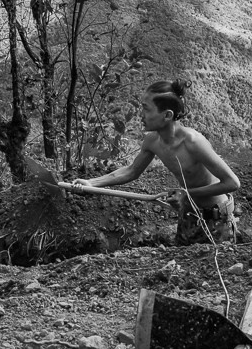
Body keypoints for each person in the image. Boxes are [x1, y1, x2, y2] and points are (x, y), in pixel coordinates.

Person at [73, 80, 240, 245]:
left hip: (217, 220)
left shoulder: (194, 143)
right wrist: (91, 183)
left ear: (167, 115)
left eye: (146, 109)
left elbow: (232, 183)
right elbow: (132, 171)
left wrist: (186, 194)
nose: (141, 115)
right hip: (189, 215)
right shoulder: (153, 141)